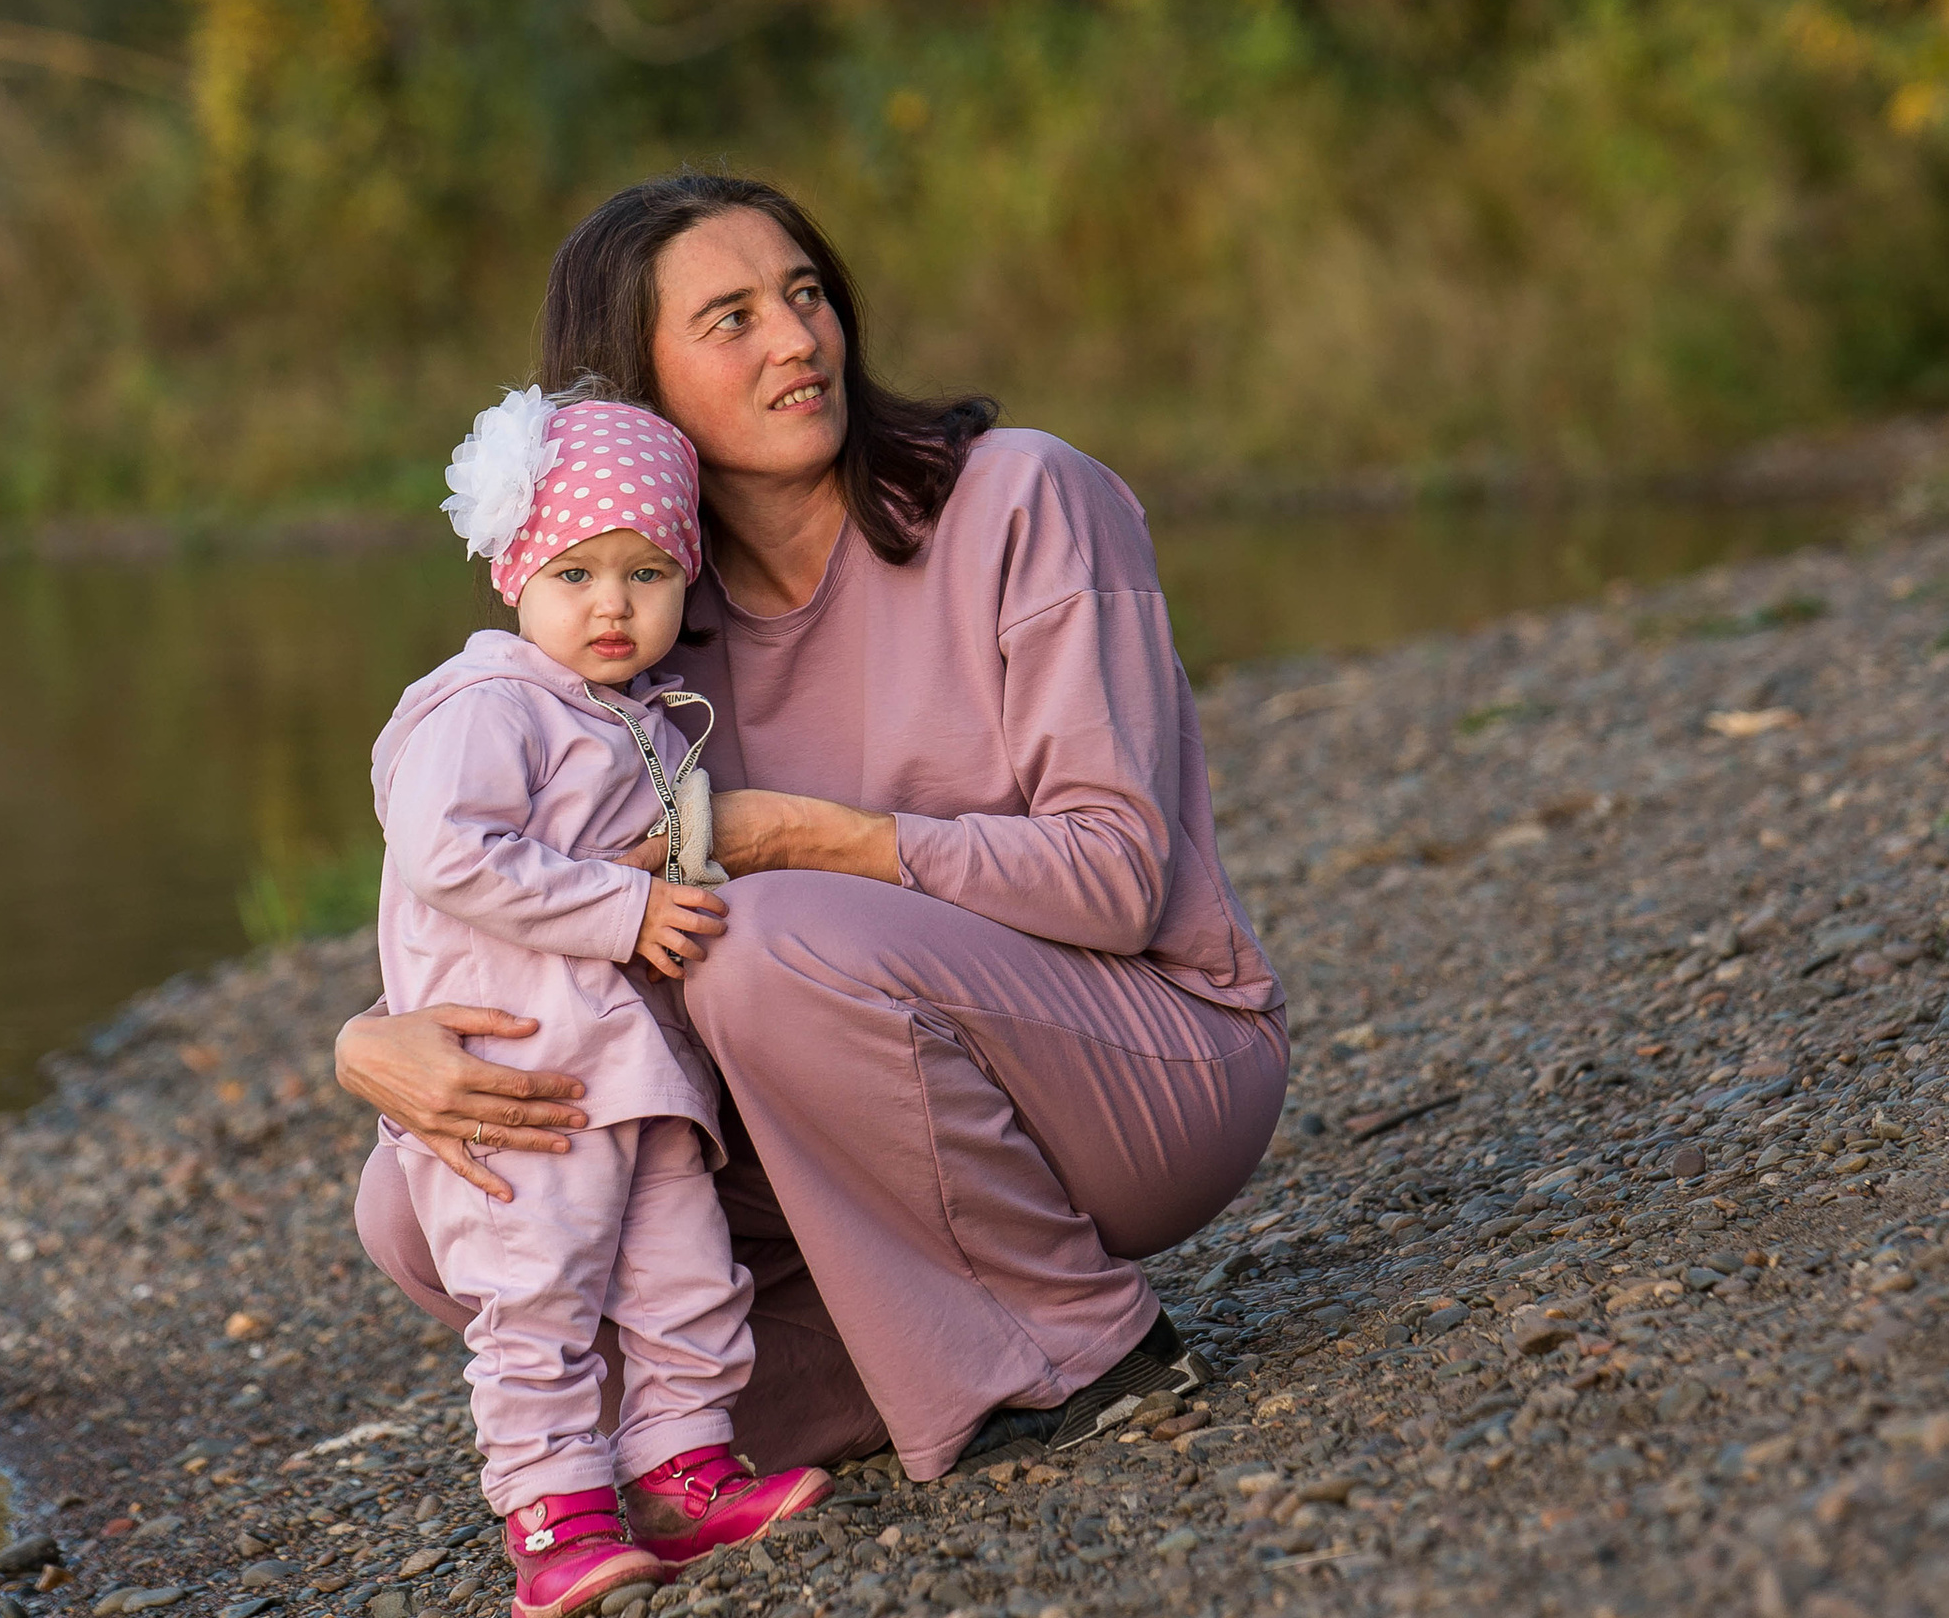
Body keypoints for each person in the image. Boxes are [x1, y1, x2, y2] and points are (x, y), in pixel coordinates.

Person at [341, 172, 1289, 1483]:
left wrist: (802, 833)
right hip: (848, 1124)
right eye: (731, 318)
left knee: (757, 937)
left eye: (804, 295)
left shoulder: (1023, 501)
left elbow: (1121, 881)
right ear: (637, 393)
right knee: (427, 1193)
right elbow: (530, 896)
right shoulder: (636, 637)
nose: (798, 339)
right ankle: (863, 1369)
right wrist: (373, 1042)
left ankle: (1086, 1340)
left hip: (1146, 1062)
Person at [374, 381, 831, 1618]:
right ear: (516, 573)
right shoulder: (486, 707)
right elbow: (451, 854)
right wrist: (625, 911)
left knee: (683, 1274)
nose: (614, 604)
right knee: (537, 1293)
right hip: (518, 1073)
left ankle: (684, 1470)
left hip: (632, 1066)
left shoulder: (626, 717)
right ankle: (552, 1517)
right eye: (576, 573)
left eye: (646, 572)